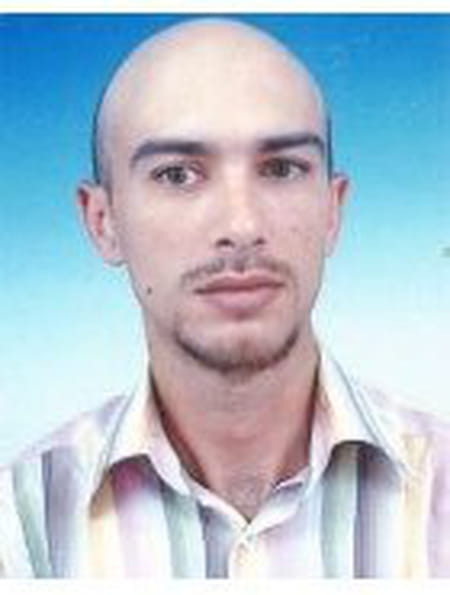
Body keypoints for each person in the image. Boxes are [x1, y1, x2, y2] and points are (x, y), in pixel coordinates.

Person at [0, 18, 449, 579]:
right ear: (102, 221)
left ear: (333, 210)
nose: (241, 225)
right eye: (178, 175)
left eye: (281, 168)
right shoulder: (19, 531)